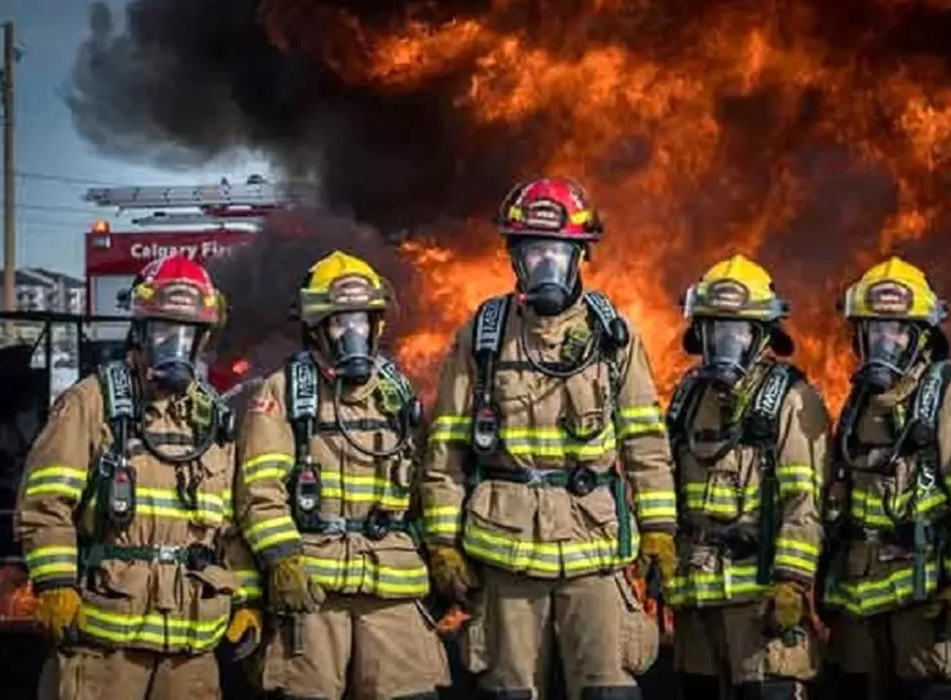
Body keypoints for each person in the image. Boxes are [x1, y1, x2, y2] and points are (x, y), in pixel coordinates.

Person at [420, 176, 677, 700]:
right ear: (515, 257)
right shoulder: (484, 334)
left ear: (580, 256)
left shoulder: (613, 335)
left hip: (594, 545)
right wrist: (443, 542)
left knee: (607, 688)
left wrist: (658, 530)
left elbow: (645, 443)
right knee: (510, 690)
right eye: (534, 251)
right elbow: (447, 448)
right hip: (505, 549)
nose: (546, 264)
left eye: (558, 252)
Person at [18, 254, 260, 700]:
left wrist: (245, 598)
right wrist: (55, 583)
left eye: (188, 332)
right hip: (106, 647)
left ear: (202, 338)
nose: (176, 344)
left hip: (189, 649)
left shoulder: (214, 419)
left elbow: (231, 528)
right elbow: (45, 504)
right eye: (164, 329)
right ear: (141, 330)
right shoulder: (91, 403)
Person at [235, 250, 450, 700]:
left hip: (393, 586)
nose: (353, 333)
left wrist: (442, 548)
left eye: (361, 321)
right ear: (316, 327)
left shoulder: (398, 394)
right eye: (339, 322)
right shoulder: (283, 392)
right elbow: (259, 490)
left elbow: (429, 482)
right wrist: (283, 559)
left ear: (376, 325)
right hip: (315, 591)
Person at [821, 257, 951, 700]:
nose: (885, 342)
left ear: (922, 337)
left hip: (932, 611)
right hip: (867, 615)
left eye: (898, 331)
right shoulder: (858, 406)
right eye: (875, 331)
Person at [667, 255, 831, 700]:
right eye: (716, 329)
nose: (726, 342)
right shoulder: (687, 397)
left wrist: (792, 581)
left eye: (738, 331)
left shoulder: (792, 400)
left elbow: (805, 501)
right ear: (700, 332)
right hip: (696, 598)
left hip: (761, 605)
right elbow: (669, 486)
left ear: (761, 335)